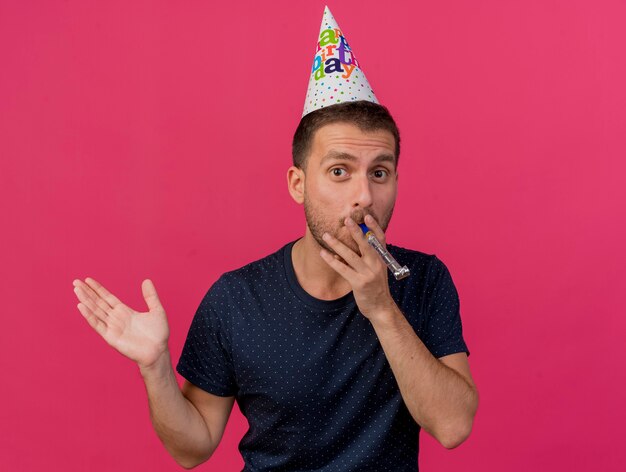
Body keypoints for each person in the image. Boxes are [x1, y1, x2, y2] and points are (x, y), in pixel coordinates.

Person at [73, 7, 478, 471]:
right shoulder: (236, 299)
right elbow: (193, 446)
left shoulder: (423, 279)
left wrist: (382, 308)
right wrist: (155, 368)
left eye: (380, 173)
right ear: (297, 183)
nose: (364, 195)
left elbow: (453, 427)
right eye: (339, 171)